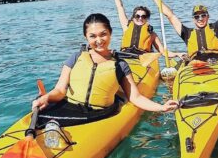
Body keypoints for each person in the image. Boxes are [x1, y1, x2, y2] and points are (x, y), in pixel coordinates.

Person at [31, 14, 178, 120]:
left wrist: (162, 107)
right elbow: (60, 90)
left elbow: (135, 97)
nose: (99, 40)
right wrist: (46, 97)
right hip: (70, 107)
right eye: (93, 36)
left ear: (111, 34)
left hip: (99, 115)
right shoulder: (76, 58)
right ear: (86, 37)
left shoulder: (120, 65)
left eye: (103, 34)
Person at [111, 0, 177, 56]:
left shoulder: (152, 34)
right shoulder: (126, 26)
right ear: (133, 17)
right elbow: (119, 6)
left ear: (146, 18)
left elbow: (163, 52)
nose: (140, 18)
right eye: (137, 16)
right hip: (126, 58)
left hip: (142, 60)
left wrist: (178, 54)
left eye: (143, 16)